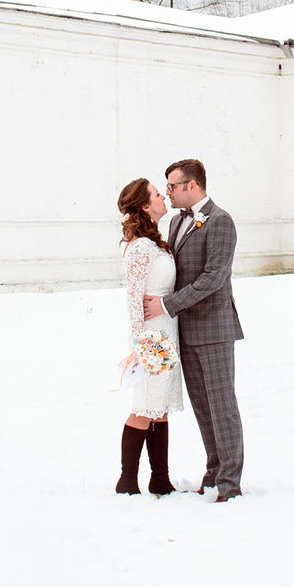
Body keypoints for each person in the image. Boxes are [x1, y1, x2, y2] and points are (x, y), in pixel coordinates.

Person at [146, 157, 244, 501]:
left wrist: (166, 305)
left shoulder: (220, 221)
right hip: (185, 331)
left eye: (172, 186)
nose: (168, 192)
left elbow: (213, 278)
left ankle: (230, 484)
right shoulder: (176, 222)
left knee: (222, 407)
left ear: (192, 185)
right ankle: (213, 474)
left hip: (214, 329)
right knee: (203, 409)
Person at [112, 177, 183, 496]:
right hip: (152, 338)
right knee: (144, 406)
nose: (163, 196)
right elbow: (133, 297)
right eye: (156, 194)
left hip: (167, 332)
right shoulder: (140, 246)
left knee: (160, 406)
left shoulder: (154, 242)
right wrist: (142, 346)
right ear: (144, 205)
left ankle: (160, 479)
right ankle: (127, 481)